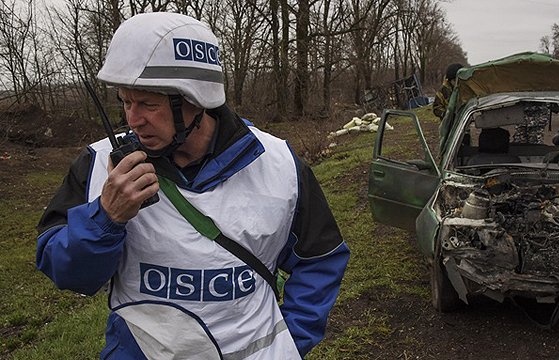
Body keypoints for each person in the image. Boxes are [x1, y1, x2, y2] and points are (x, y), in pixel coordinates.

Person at [35, 12, 349, 360]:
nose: (132, 119)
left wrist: (291, 342)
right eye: (126, 101)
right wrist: (106, 218)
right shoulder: (98, 165)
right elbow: (68, 272)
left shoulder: (278, 165)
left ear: (195, 100)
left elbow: (321, 259)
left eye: (148, 105)